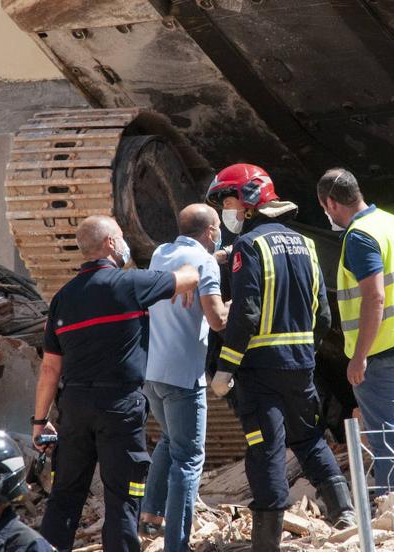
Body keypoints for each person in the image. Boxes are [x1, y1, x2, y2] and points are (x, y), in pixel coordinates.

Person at [206, 164, 356, 551]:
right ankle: (346, 514)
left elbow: (247, 313)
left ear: (251, 199)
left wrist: (226, 367)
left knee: (265, 447)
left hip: (260, 371)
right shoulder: (305, 244)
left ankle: (266, 542)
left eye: (229, 200)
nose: (228, 210)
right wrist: (303, 347)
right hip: (301, 366)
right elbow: (324, 314)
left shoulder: (249, 246)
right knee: (308, 438)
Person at [32, 215, 199, 552]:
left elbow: (50, 368)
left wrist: (39, 421)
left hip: (75, 408)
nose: (124, 244)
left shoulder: (63, 299)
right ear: (110, 243)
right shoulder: (130, 284)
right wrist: (204, 262)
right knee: (123, 497)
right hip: (120, 407)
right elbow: (188, 276)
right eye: (121, 237)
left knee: (64, 496)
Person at [317, 167, 394, 501]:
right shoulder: (392, 223)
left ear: (331, 203)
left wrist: (360, 356)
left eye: (325, 209)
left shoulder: (359, 236)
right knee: (392, 429)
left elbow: (375, 296)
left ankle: (392, 512)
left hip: (382, 352)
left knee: (385, 437)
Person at [139, 204, 229, 552]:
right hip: (183, 376)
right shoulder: (204, 264)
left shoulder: (161, 253)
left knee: (169, 441)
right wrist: (245, 304)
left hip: (153, 372)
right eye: (218, 227)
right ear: (209, 232)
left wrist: (221, 257)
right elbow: (218, 319)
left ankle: (150, 515)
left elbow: (192, 262)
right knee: (189, 458)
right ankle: (176, 544)